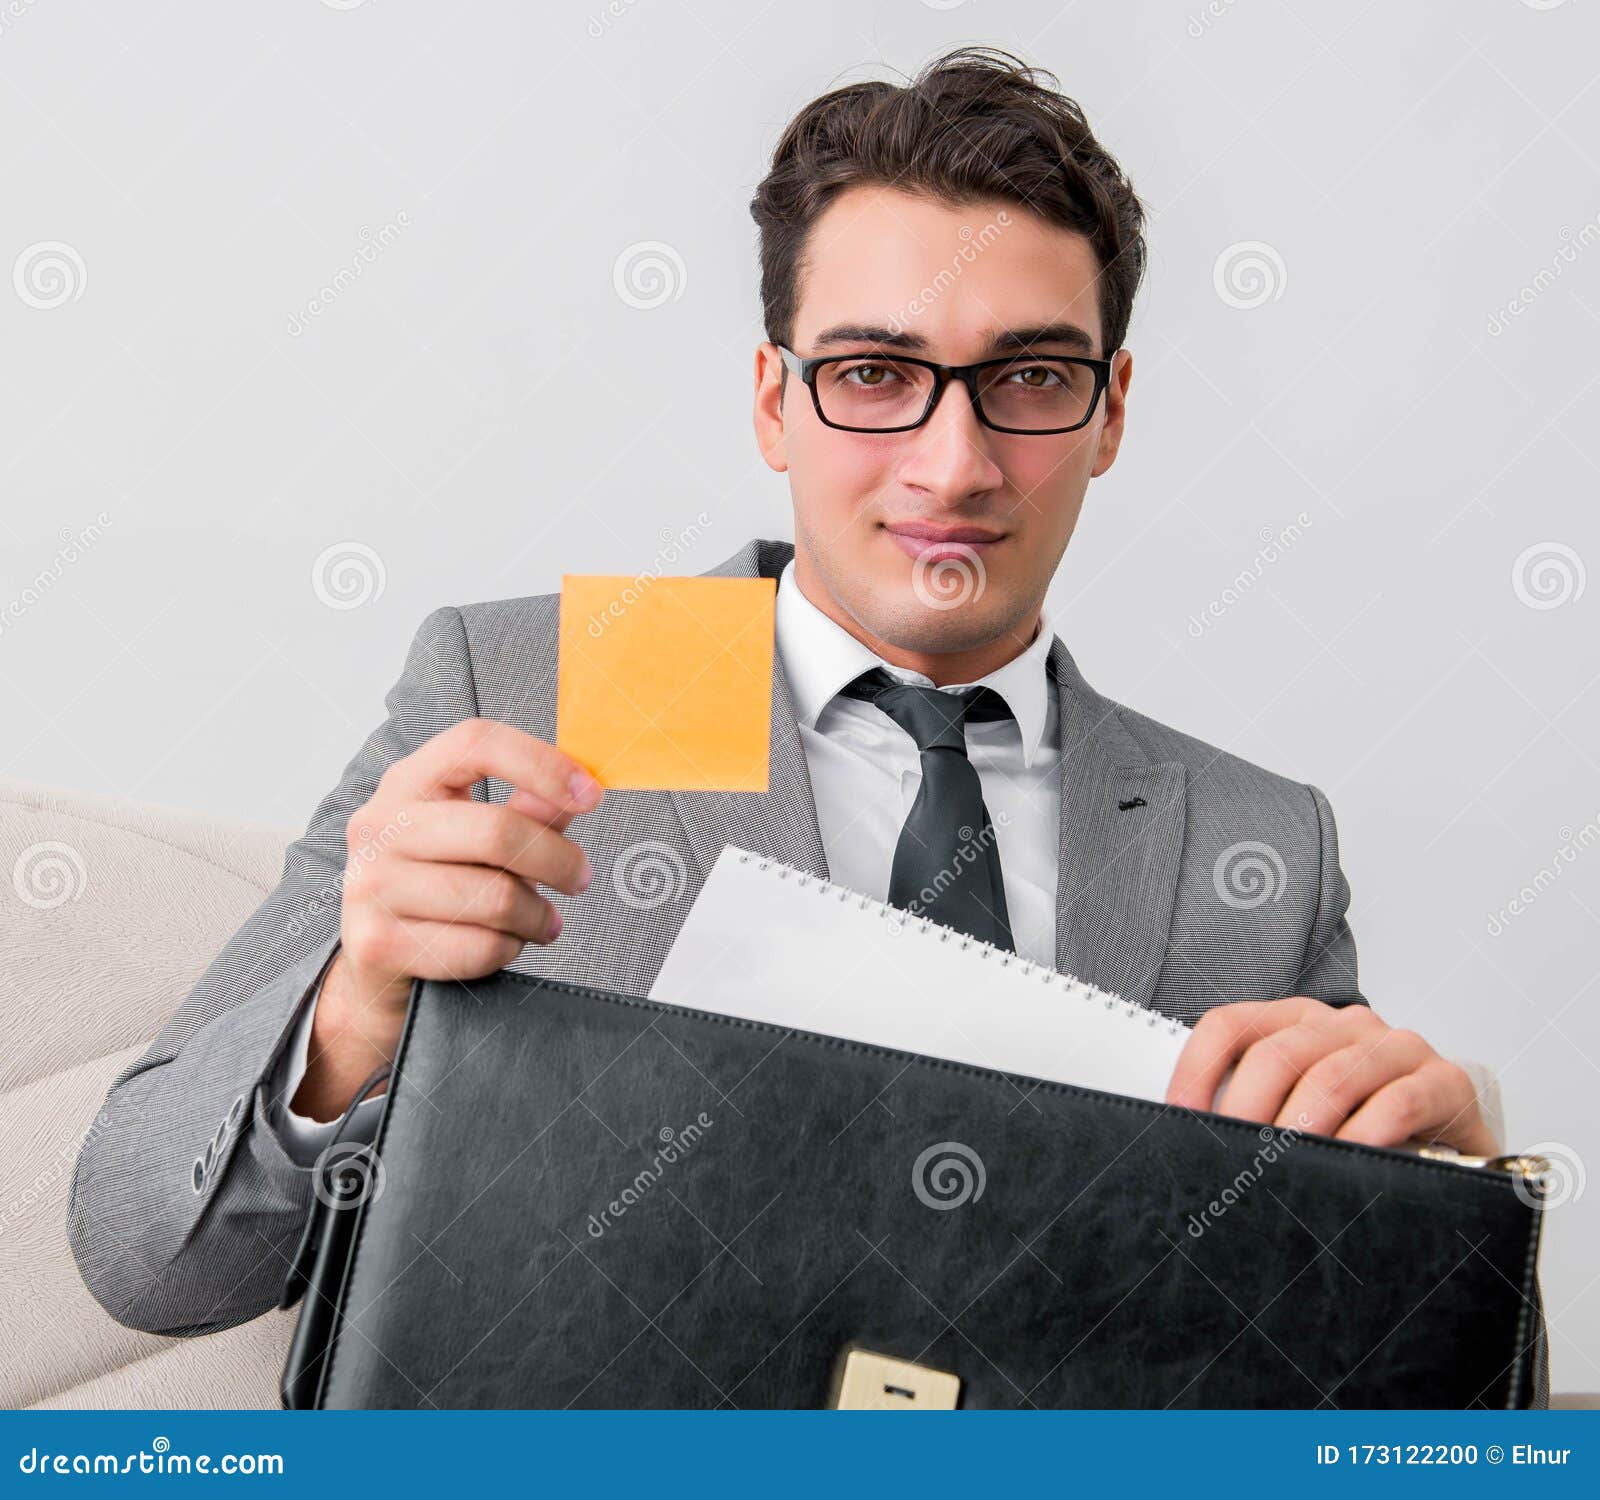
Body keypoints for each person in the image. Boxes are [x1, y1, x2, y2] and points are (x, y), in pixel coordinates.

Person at [67, 45, 1542, 1403]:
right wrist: (348, 1017)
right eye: (875, 375)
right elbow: (147, 1256)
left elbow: (1390, 1379)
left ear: (1110, 411)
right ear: (776, 403)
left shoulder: (1251, 844)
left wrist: (1452, 1173)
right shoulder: (552, 686)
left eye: (1030, 377)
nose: (953, 461)